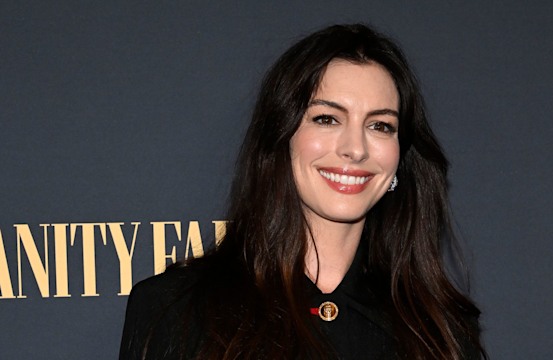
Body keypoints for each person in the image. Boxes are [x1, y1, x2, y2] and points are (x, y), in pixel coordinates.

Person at [120, 23, 486, 360]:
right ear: (281, 137)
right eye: (327, 119)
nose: (355, 148)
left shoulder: (441, 331)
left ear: (400, 157)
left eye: (380, 125)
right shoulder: (175, 310)